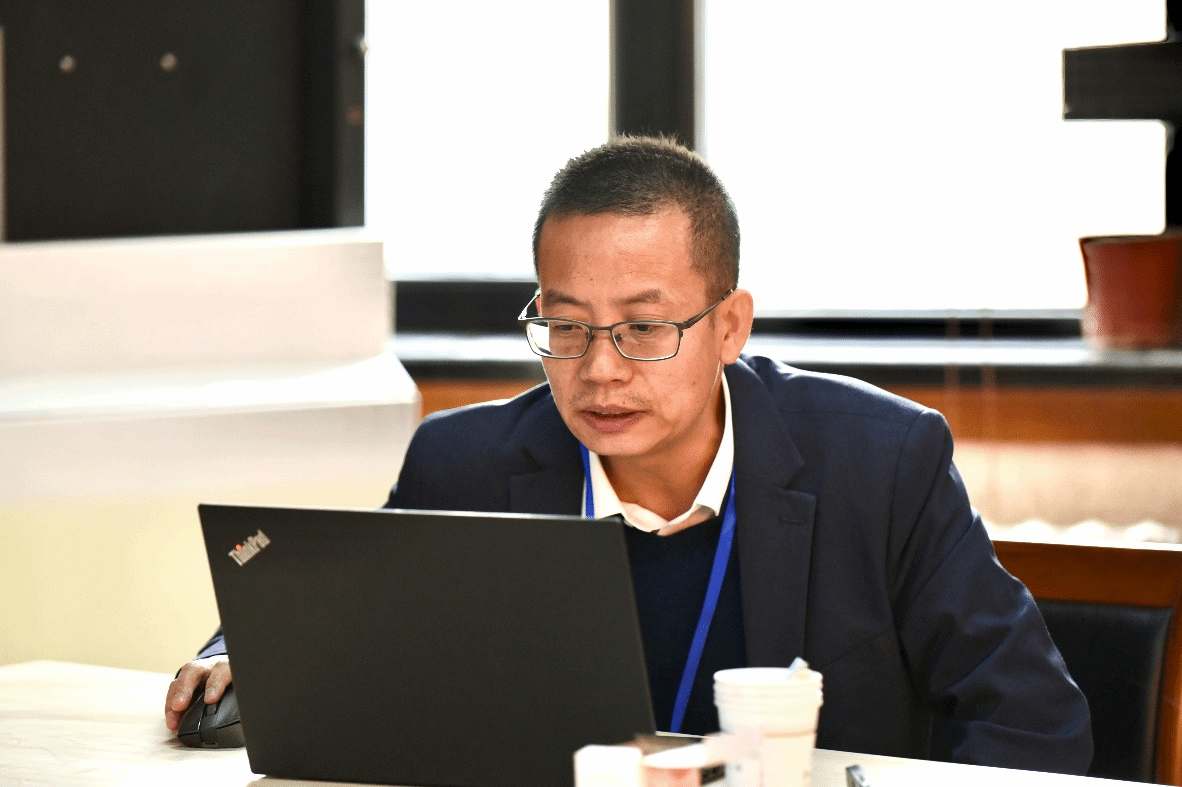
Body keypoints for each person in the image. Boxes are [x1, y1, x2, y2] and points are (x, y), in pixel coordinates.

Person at [166, 135, 1092, 773]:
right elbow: (341, 626)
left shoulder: (880, 461)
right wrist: (238, 652)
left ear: (730, 325)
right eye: (566, 326)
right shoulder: (465, 463)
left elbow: (1035, 724)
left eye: (645, 327)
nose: (599, 370)